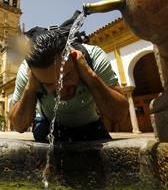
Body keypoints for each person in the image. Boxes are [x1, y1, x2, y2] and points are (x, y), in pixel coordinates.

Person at [9, 11, 129, 142]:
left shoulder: (93, 56)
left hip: (89, 125)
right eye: (49, 84)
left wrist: (89, 74)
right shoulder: (27, 70)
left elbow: (119, 115)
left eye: (64, 77)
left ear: (74, 59)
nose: (60, 89)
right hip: (46, 125)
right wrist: (30, 88)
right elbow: (19, 126)